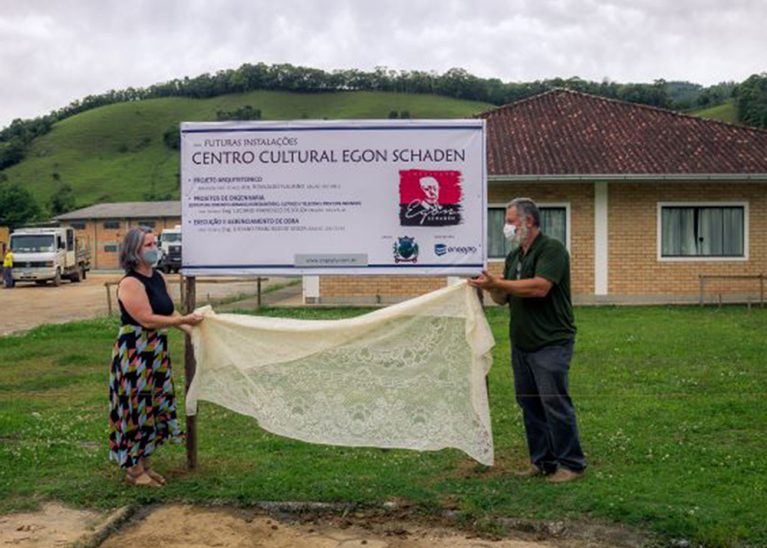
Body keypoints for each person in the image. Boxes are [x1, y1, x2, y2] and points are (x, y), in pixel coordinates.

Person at [469, 197, 586, 483]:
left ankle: (571, 464)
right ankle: (542, 461)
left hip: (551, 341)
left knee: (554, 402)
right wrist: (488, 287)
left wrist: (499, 284)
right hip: (522, 344)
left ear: (528, 221)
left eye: (510, 221)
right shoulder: (514, 258)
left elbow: (539, 288)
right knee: (530, 403)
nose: (506, 227)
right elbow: (503, 298)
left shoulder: (552, 250)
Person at [109, 226, 203, 487]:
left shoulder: (159, 277)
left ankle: (146, 465)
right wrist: (184, 320)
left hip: (155, 352)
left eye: (154, 243)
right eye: (148, 245)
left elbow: (170, 312)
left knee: (152, 406)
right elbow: (147, 319)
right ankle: (134, 471)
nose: (154, 249)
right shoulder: (130, 283)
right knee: (134, 408)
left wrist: (193, 331)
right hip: (135, 354)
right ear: (134, 252)